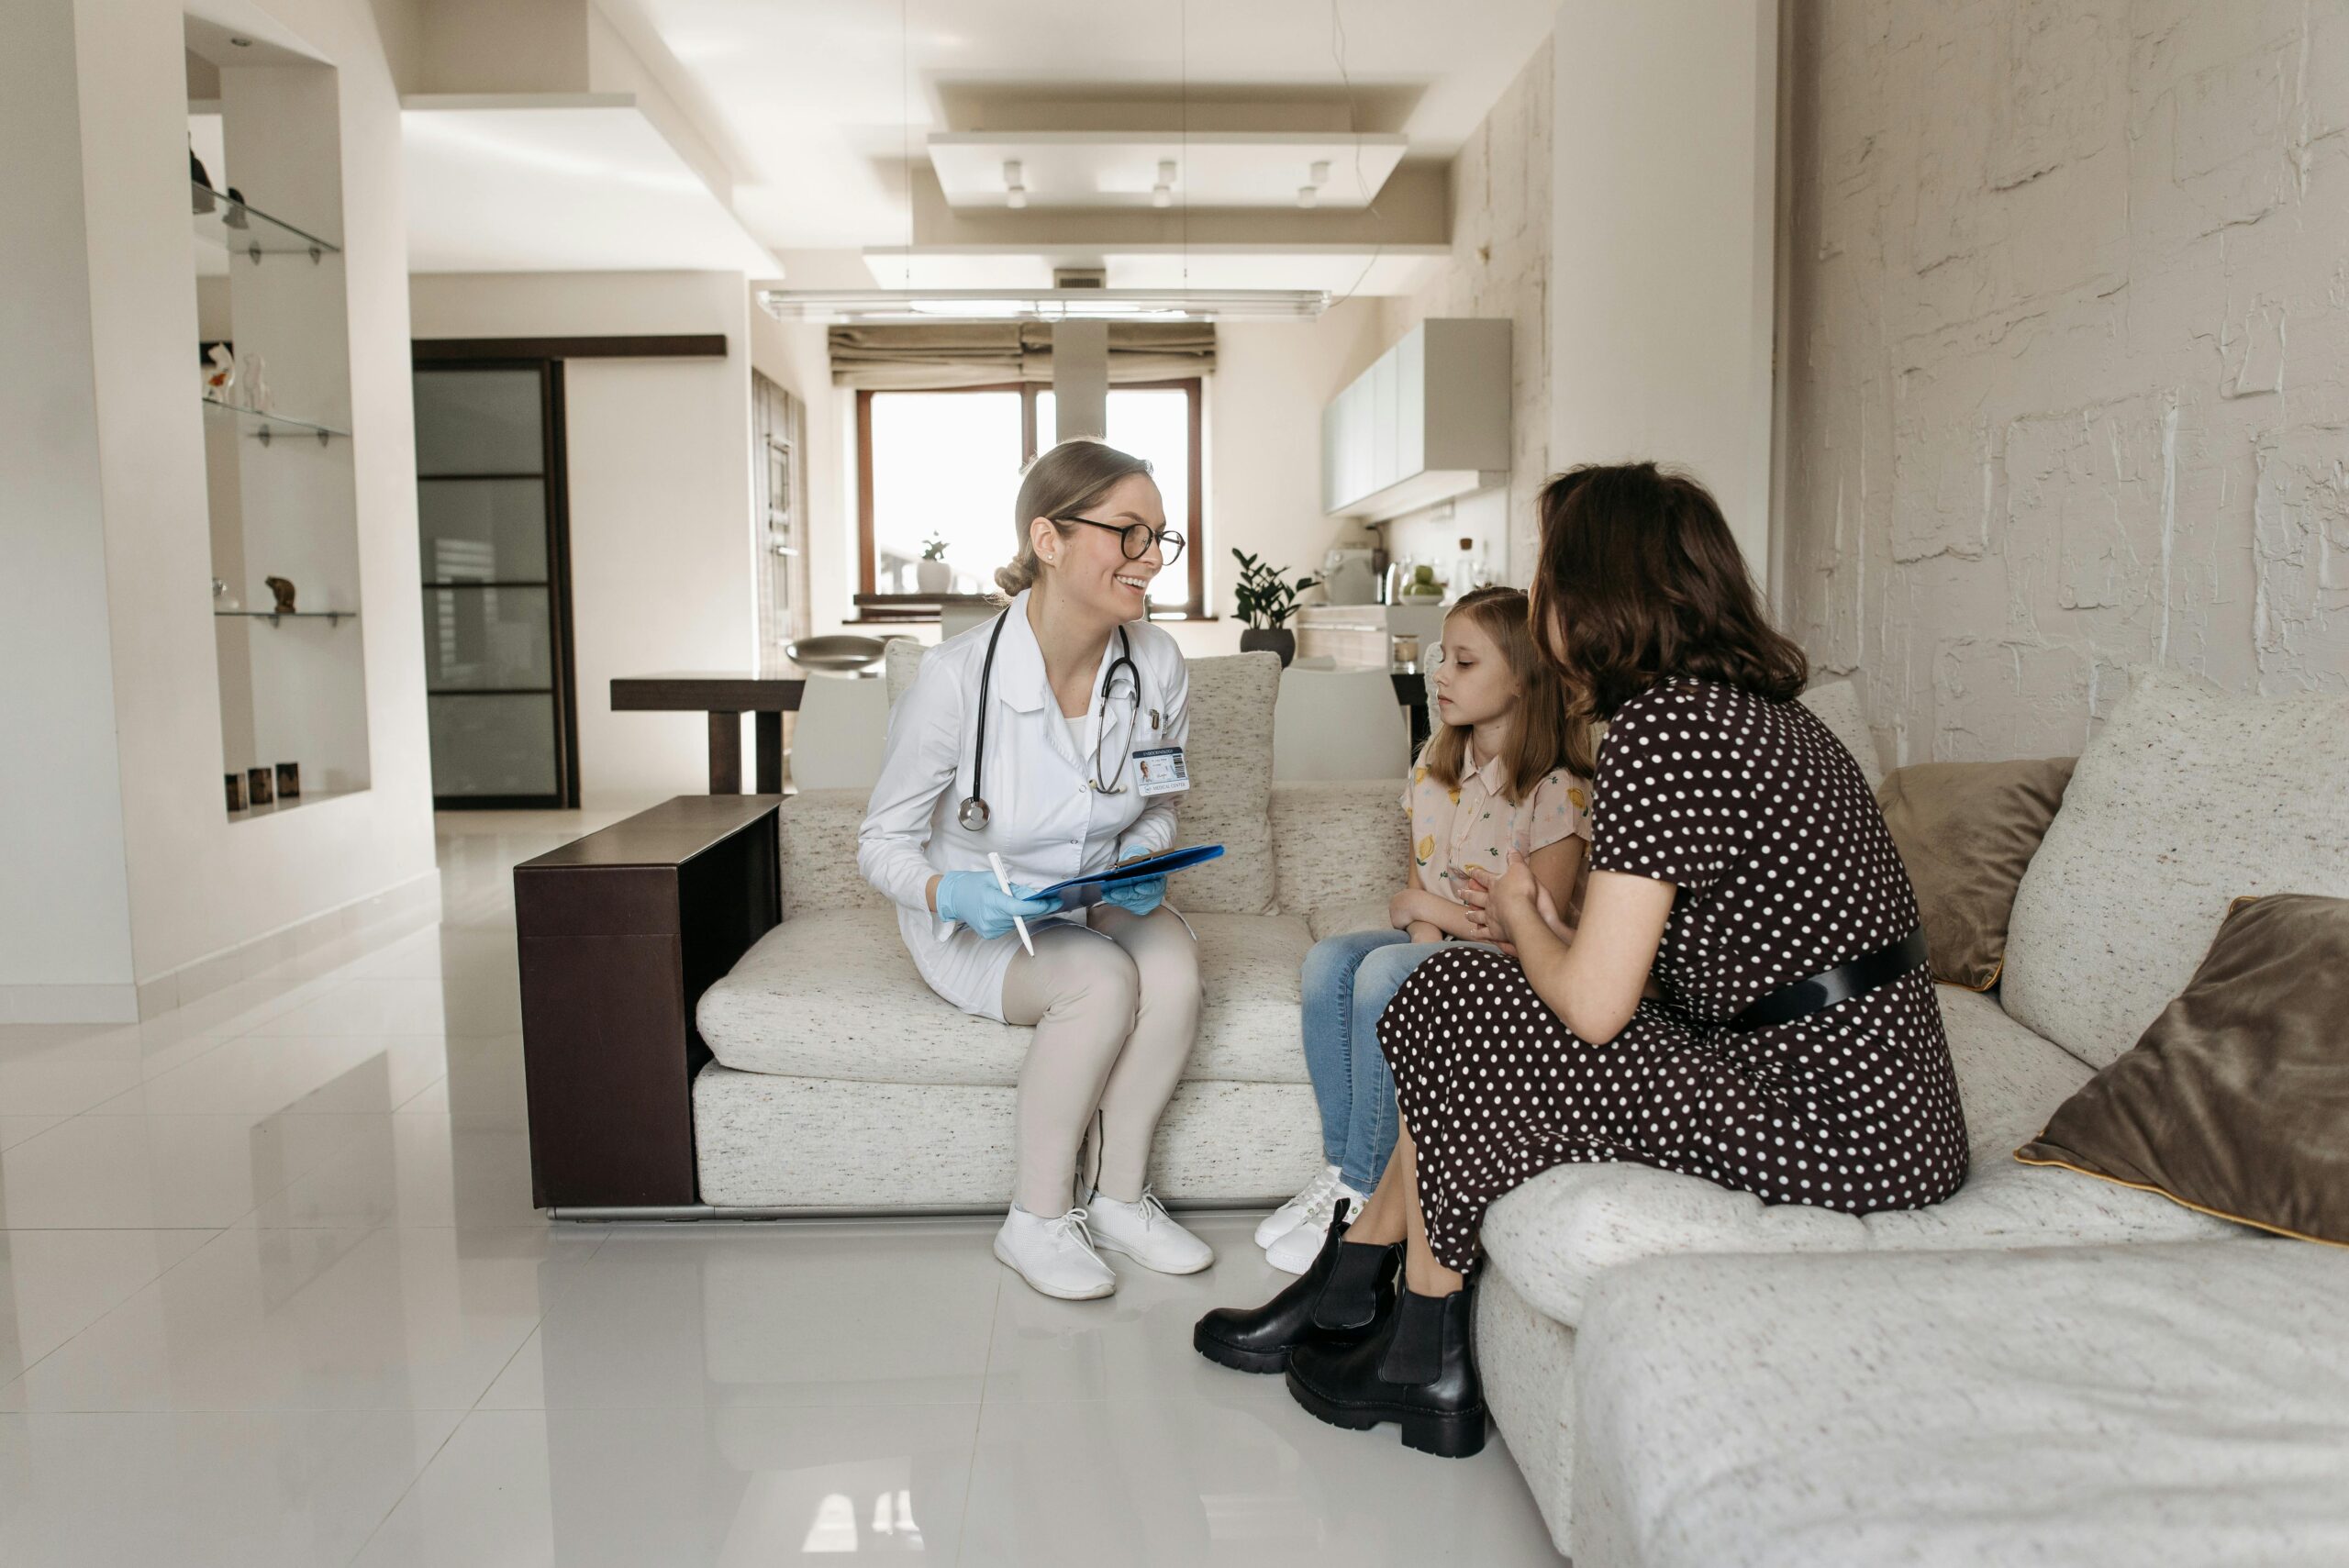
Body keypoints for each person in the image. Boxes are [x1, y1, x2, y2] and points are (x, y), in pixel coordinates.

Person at [1196, 462, 1968, 1459]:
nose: (1543, 594)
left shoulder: (1666, 729)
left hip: (1832, 1127)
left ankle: (1406, 1321)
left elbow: (1598, 1007)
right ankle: (1374, 1297)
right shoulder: (1766, 714)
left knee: (1456, 998)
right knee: (1466, 993)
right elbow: (1650, 972)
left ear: (1597, 593)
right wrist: (1530, 932)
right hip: (1883, 1111)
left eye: (1552, 571)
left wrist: (1519, 909)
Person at [860, 437, 1212, 1302]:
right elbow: (880, 842)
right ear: (1048, 539)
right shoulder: (955, 681)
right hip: (985, 918)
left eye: (1159, 538)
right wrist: (953, 891)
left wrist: (1138, 857)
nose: (1149, 559)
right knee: (1097, 980)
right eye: (1128, 532)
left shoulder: (1157, 663)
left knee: (1173, 966)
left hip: (1094, 889)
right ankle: (1038, 1218)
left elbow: (1161, 799)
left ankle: (1122, 1197)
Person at [1251, 587, 1590, 1275]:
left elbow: (1534, 934)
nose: (1439, 674)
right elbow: (1409, 907)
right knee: (1328, 962)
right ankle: (1343, 1173)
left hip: (1513, 967)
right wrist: (1429, 924)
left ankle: (1366, 1191)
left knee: (1380, 974)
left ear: (1524, 679)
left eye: (1463, 662)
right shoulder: (1432, 774)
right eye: (1443, 658)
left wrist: (1427, 912)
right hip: (1451, 948)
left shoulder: (1559, 790)